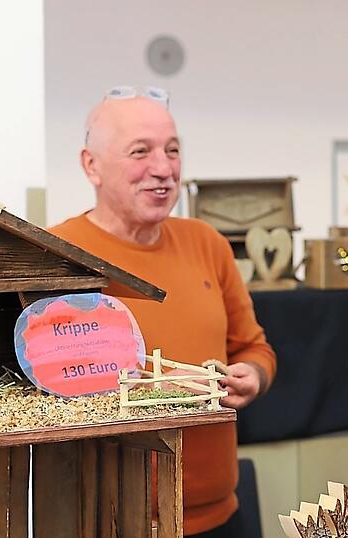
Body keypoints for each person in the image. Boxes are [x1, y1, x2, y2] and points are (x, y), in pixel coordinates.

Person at [51, 86, 276, 537]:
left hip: (218, 516)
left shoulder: (207, 243)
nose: (164, 168)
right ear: (91, 165)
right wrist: (153, 393)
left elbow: (254, 348)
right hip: (108, 520)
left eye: (172, 150)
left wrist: (253, 375)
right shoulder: (58, 255)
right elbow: (43, 390)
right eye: (141, 151)